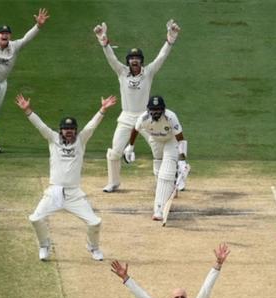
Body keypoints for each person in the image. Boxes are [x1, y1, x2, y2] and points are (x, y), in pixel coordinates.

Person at [15, 93, 117, 261]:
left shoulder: (81, 140)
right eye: (66, 129)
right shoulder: (53, 138)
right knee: (35, 219)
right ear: (61, 130)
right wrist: (28, 111)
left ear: (75, 131)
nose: (69, 132)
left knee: (95, 223)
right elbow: (41, 126)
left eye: (72, 129)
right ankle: (44, 245)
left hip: (74, 193)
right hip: (54, 191)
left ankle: (93, 247)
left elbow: (92, 126)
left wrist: (103, 109)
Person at [92, 19, 181, 192]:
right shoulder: (121, 72)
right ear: (128, 61)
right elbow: (111, 58)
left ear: (141, 61)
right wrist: (104, 43)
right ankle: (113, 182)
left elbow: (161, 57)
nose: (134, 61)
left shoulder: (148, 72)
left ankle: (166, 182)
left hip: (146, 118)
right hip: (126, 117)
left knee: (159, 152)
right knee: (114, 152)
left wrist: (170, 40)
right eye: (132, 58)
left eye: (137, 59)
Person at [0, 7, 49, 155]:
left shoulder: (14, 47)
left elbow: (27, 38)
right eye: (2, 33)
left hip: (1, 84)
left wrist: (38, 26)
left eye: (7, 33)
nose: (5, 35)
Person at [124, 95, 189, 221]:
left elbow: (181, 139)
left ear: (163, 110)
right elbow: (135, 130)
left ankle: (159, 210)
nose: (156, 112)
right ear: (148, 110)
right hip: (155, 141)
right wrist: (130, 147)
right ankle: (171, 188)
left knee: (166, 174)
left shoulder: (171, 117)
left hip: (171, 141)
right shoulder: (143, 118)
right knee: (159, 171)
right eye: (153, 110)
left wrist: (182, 160)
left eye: (159, 109)